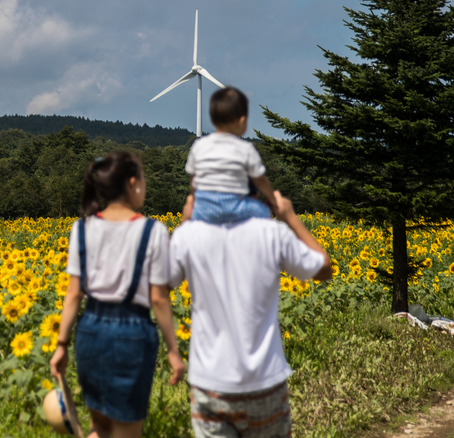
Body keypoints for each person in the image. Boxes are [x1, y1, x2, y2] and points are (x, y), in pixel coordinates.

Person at [169, 190, 333, 438]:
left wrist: (185, 223)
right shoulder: (272, 234)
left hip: (210, 383)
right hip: (263, 382)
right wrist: (289, 217)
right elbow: (324, 269)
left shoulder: (192, 235)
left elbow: (162, 284)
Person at [50, 151, 186, 438]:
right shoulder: (153, 230)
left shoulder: (82, 228)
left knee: (98, 427)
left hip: (90, 331)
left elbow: (73, 293)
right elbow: (159, 298)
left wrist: (62, 343)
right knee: (126, 430)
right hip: (132, 333)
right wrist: (173, 351)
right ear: (133, 184)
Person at [185, 87, 276, 224]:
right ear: (242, 121)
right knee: (264, 213)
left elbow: (193, 180)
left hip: (204, 209)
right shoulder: (246, 149)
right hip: (236, 206)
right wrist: (272, 199)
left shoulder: (198, 146)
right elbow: (260, 180)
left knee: (189, 208)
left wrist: (195, 198)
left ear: (212, 120)